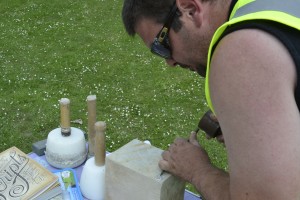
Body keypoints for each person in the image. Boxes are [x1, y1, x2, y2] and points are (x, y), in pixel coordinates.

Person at [122, 0, 300, 199]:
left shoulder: (241, 54)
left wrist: (198, 170)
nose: (169, 62)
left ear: (190, 8)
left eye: (161, 45)